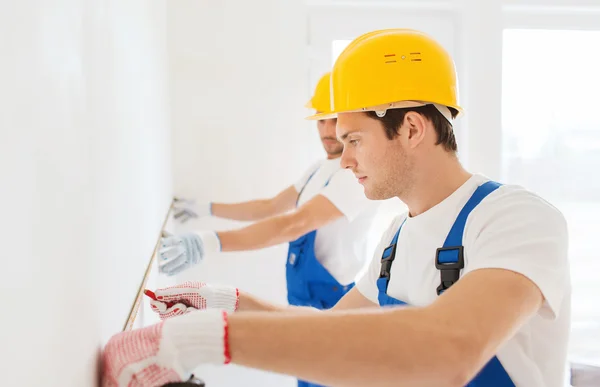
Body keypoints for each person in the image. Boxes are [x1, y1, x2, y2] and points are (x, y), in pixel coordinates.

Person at [101, 28, 570, 387]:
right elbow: (331, 326)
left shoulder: (516, 218)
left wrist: (205, 339)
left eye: (354, 140)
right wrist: (233, 304)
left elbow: (452, 348)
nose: (343, 159)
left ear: (410, 129)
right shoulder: (396, 239)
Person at [158, 71, 380, 314]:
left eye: (334, 120)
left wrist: (207, 242)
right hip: (302, 290)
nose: (327, 131)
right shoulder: (318, 168)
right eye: (320, 120)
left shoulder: (353, 175)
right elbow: (269, 207)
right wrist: (203, 208)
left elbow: (295, 224)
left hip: (333, 299)